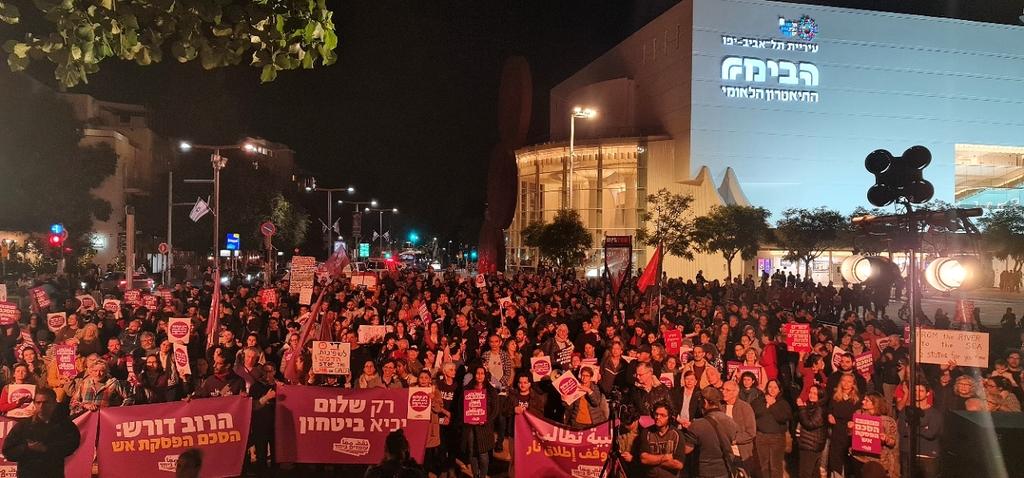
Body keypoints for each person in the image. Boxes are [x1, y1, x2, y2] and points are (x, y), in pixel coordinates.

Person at [2, 388, 81, 477]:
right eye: (38, 402)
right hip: (28, 474)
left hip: (53, 473)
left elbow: (72, 444)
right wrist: (27, 448)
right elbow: (8, 451)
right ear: (34, 404)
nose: (41, 406)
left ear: (54, 403)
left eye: (45, 402)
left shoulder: (64, 425)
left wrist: (47, 448)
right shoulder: (23, 426)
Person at [684, 386, 741, 478]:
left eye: (700, 401)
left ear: (705, 402)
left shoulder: (697, 424)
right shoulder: (730, 422)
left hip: (704, 472)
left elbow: (686, 449)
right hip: (724, 471)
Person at [459, 366, 498, 478]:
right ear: (474, 375)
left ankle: (483, 475)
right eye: (477, 373)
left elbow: (495, 410)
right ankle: (475, 475)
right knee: (472, 451)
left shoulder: (491, 390)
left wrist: (486, 420)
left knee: (483, 453)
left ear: (485, 376)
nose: (480, 375)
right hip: (470, 426)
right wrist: (466, 419)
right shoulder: (467, 389)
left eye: (482, 373)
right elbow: (460, 407)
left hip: (484, 426)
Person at [849, 392, 898, 478]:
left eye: (866, 400)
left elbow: (893, 442)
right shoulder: (858, 414)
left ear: (875, 403)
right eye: (863, 399)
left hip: (878, 461)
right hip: (859, 458)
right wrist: (850, 428)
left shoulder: (887, 421)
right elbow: (851, 436)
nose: (863, 402)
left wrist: (886, 439)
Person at [636, 401, 686, 478]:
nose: (658, 417)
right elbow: (644, 459)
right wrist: (665, 458)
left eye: (662, 415)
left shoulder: (677, 434)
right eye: (656, 414)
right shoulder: (646, 432)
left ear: (669, 417)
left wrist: (652, 461)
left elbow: (679, 464)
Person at [754, 380, 791, 478]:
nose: (772, 389)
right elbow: (756, 412)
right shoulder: (759, 400)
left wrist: (773, 405)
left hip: (777, 438)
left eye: (775, 387)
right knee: (763, 466)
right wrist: (767, 404)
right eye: (770, 387)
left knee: (776, 466)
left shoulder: (783, 403)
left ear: (779, 389)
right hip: (761, 437)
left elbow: (783, 418)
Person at [827, 374, 860, 478]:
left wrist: (855, 422)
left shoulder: (858, 399)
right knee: (835, 458)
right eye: (844, 381)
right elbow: (829, 409)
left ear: (853, 384)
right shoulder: (835, 396)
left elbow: (861, 415)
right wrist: (829, 415)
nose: (846, 383)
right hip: (837, 430)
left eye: (849, 381)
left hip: (850, 432)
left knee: (849, 460)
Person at [721, 380, 757, 474]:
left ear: (735, 392)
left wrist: (733, 439)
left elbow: (751, 432)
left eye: (727, 390)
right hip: (723, 454)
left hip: (741, 454)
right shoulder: (720, 407)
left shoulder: (745, 408)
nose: (723, 392)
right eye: (723, 389)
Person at [796, 385, 827, 478]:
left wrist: (801, 409)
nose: (811, 395)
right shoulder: (812, 406)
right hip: (808, 443)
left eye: (815, 393)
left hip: (811, 445)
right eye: (810, 392)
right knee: (814, 473)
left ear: (820, 395)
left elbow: (810, 424)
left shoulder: (820, 408)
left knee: (805, 473)